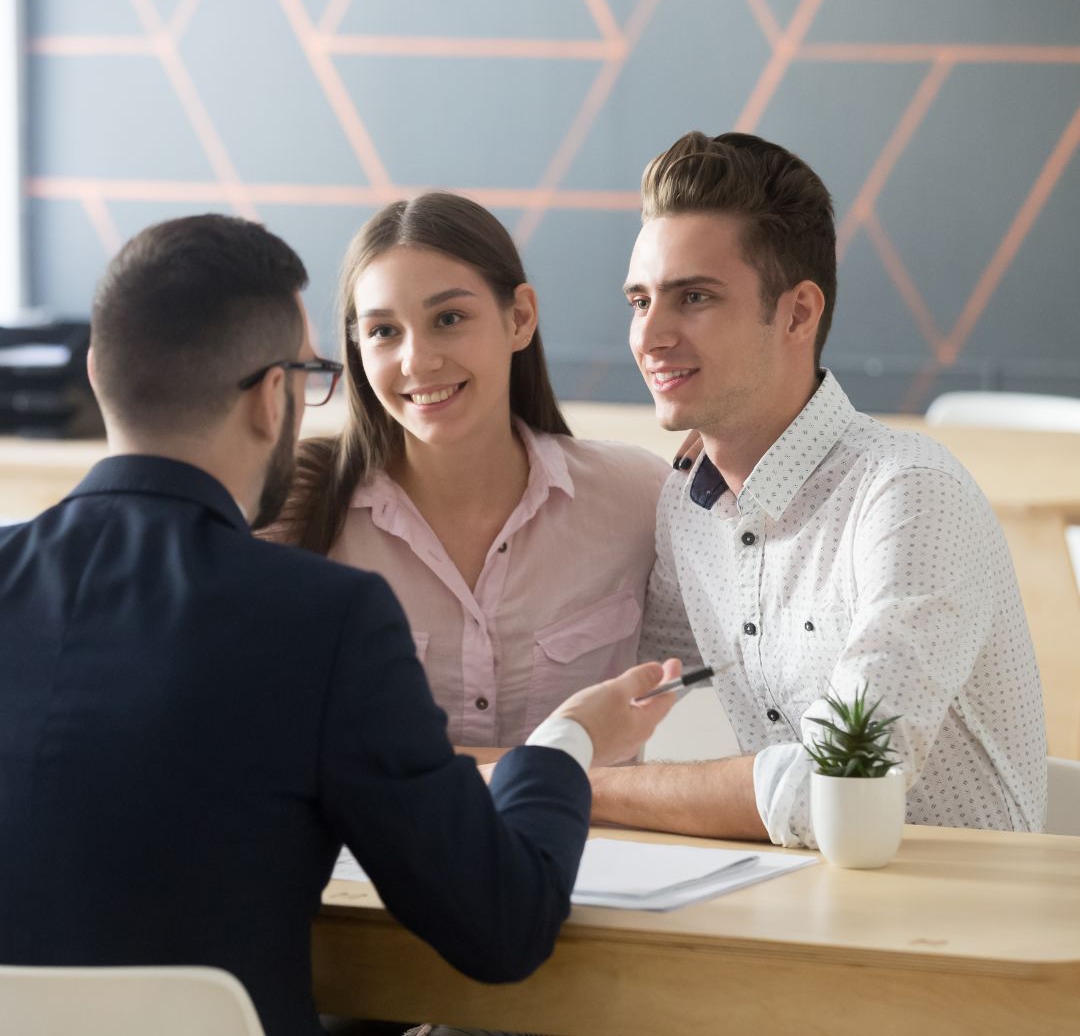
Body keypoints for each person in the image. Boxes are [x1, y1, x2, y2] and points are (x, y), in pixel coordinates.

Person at [0, 214, 677, 1036]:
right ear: (273, 396)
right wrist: (565, 743)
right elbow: (502, 930)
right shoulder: (321, 615)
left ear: (98, 372)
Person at [589, 131, 1047, 847]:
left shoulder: (908, 492)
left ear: (799, 313)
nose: (650, 334)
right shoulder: (686, 506)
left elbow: (841, 783)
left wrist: (579, 789)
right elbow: (651, 734)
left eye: (695, 297)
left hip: (960, 933)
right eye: (639, 300)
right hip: (787, 904)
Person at [270, 192, 669, 761]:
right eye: (384, 331)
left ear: (520, 318)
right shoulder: (299, 515)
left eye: (449, 319)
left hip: (593, 848)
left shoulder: (637, 498)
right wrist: (566, 749)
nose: (417, 360)